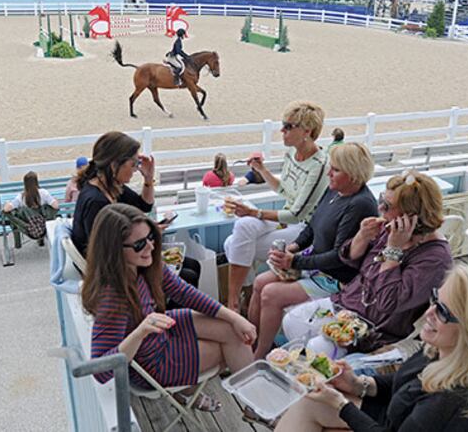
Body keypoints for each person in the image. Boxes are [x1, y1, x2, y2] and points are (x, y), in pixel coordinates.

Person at [275, 265, 468, 431]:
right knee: (309, 402)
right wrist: (358, 385)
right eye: (435, 299)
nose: (429, 312)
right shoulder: (446, 354)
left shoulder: (454, 398)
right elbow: (402, 382)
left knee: (310, 406)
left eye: (443, 311)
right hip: (394, 417)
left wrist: (341, 405)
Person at [83, 204, 256, 411]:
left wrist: (235, 317)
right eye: (139, 244)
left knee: (233, 329)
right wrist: (140, 332)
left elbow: (183, 292)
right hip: (153, 361)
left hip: (160, 329)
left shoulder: (142, 266)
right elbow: (101, 370)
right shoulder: (113, 295)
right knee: (231, 349)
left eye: (151, 237)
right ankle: (255, 407)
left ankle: (247, 403)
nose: (150, 247)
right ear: (113, 249)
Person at [283, 170, 453, 353]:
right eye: (381, 200)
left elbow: (388, 303)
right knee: (292, 321)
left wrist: (393, 249)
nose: (380, 209)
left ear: (411, 216)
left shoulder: (435, 259)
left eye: (387, 206)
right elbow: (347, 258)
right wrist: (361, 237)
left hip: (374, 330)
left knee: (318, 348)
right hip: (347, 304)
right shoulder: (389, 228)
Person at [248, 143, 378, 357]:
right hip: (314, 264)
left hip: (334, 278)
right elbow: (312, 225)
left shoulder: (360, 205)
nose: (329, 173)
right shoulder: (334, 190)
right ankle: (249, 342)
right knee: (260, 282)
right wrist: (294, 247)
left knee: (270, 293)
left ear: (353, 175)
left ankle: (259, 355)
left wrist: (294, 262)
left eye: (335, 170)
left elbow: (338, 256)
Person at [223, 101, 330, 312]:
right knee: (241, 230)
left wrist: (254, 212)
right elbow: (284, 190)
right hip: (285, 221)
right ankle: (237, 301)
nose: (282, 130)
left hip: (304, 230)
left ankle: (235, 302)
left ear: (306, 131)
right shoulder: (292, 153)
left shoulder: (318, 165)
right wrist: (262, 170)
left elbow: (296, 214)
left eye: (288, 126)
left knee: (232, 243)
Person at [71, 131, 201, 293]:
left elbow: (144, 206)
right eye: (133, 164)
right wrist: (146, 237)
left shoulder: (112, 186)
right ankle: (165, 314)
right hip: (111, 271)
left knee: (192, 265)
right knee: (188, 274)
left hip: (124, 255)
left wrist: (148, 178)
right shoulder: (96, 201)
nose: (135, 170)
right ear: (114, 165)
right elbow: (104, 252)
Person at [3, 171, 60, 245]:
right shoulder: (43, 193)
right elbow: (56, 206)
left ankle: (17, 243)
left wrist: (7, 203)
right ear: (36, 181)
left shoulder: (21, 197)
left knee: (14, 214)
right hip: (44, 224)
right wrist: (55, 199)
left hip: (28, 227)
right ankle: (41, 240)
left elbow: (6, 209)